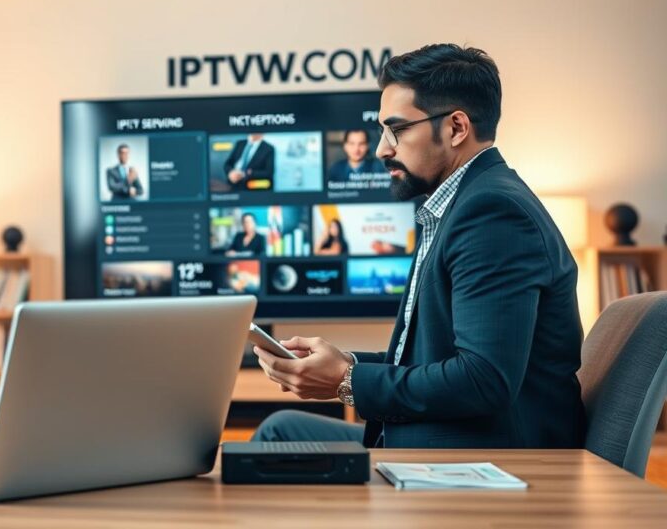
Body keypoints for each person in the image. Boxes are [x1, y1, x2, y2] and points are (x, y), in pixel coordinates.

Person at [251, 44, 587, 449]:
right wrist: (346, 364)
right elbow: (436, 360)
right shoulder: (462, 203)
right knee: (281, 429)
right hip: (445, 440)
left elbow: (484, 381)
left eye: (397, 129)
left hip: (484, 463)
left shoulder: (492, 214)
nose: (381, 149)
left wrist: (346, 382)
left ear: (456, 128)